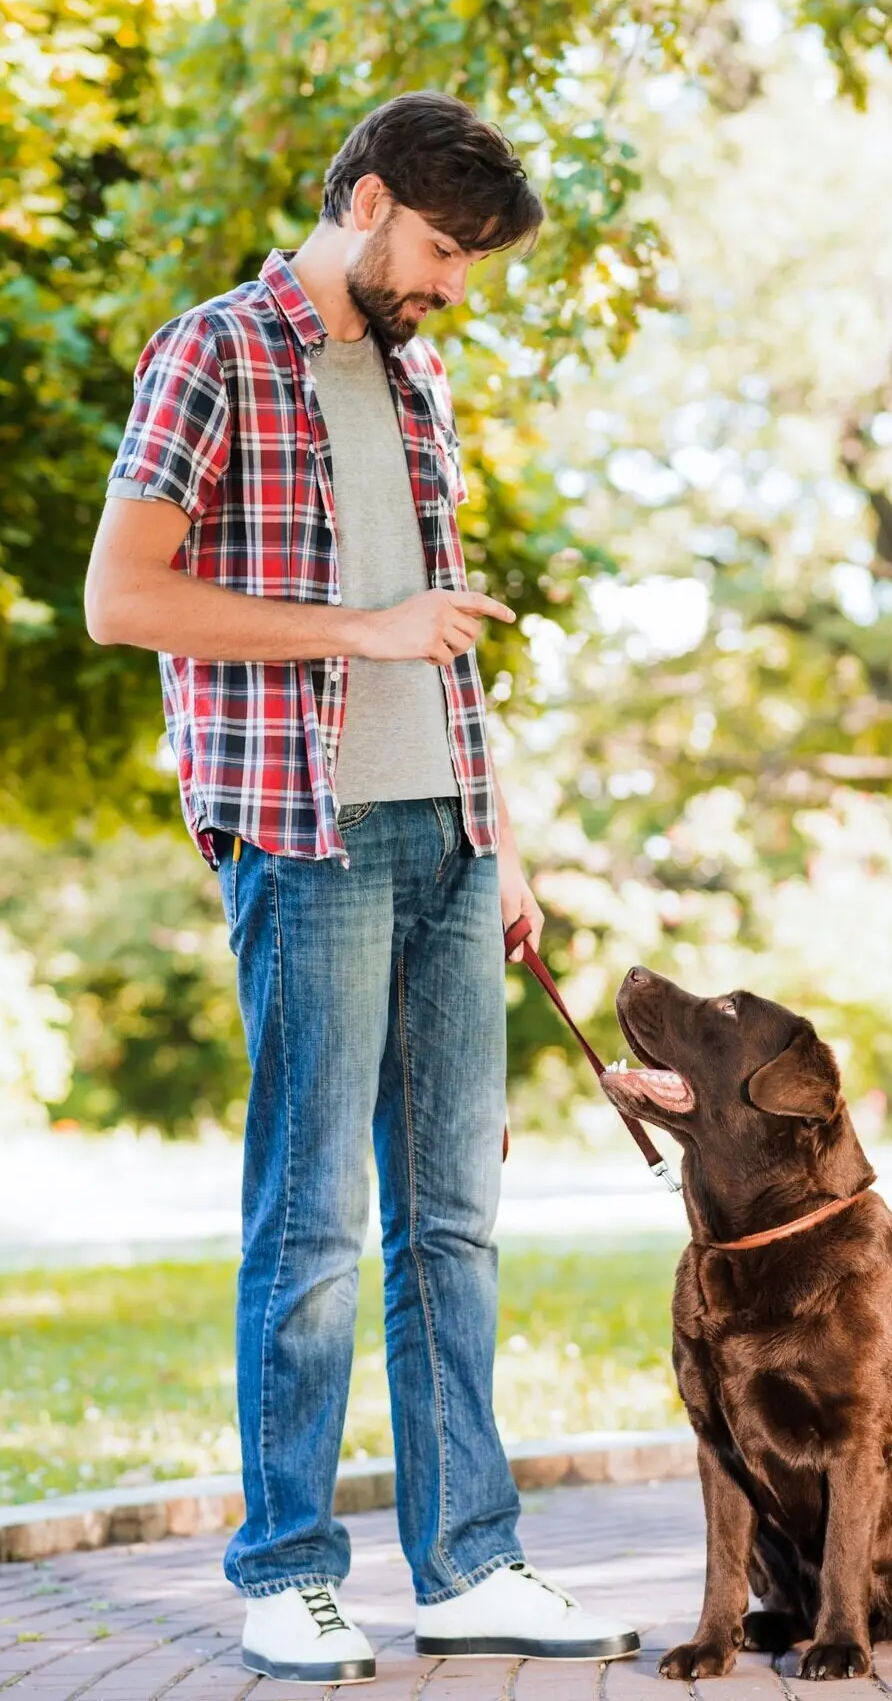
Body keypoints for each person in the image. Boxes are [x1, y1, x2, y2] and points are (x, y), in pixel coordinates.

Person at [84, 93, 639, 1682]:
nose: (454, 282)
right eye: (446, 248)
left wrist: (504, 834)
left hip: (451, 838)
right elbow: (125, 601)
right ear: (369, 200)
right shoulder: (213, 351)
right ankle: (287, 1569)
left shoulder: (419, 373)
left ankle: (470, 1563)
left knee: (451, 1221)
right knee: (314, 1220)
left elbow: (443, 634)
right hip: (303, 833)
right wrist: (358, 632)